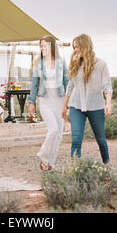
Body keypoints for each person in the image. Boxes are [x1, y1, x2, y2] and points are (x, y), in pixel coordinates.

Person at [61, 34, 112, 165]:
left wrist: (108, 104)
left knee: (100, 139)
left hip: (96, 107)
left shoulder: (101, 64)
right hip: (76, 106)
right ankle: (75, 170)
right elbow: (70, 86)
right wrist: (64, 106)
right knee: (76, 140)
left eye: (77, 47)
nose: (75, 50)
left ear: (85, 46)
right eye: (74, 47)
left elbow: (108, 86)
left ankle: (107, 165)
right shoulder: (75, 64)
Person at [27, 35, 69, 171]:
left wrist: (69, 101)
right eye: (41, 45)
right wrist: (31, 102)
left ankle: (51, 162)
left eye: (45, 45)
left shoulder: (61, 62)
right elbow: (34, 85)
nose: (42, 48)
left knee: (58, 134)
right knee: (53, 130)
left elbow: (67, 82)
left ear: (52, 47)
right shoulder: (38, 63)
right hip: (44, 100)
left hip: (60, 101)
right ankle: (44, 156)